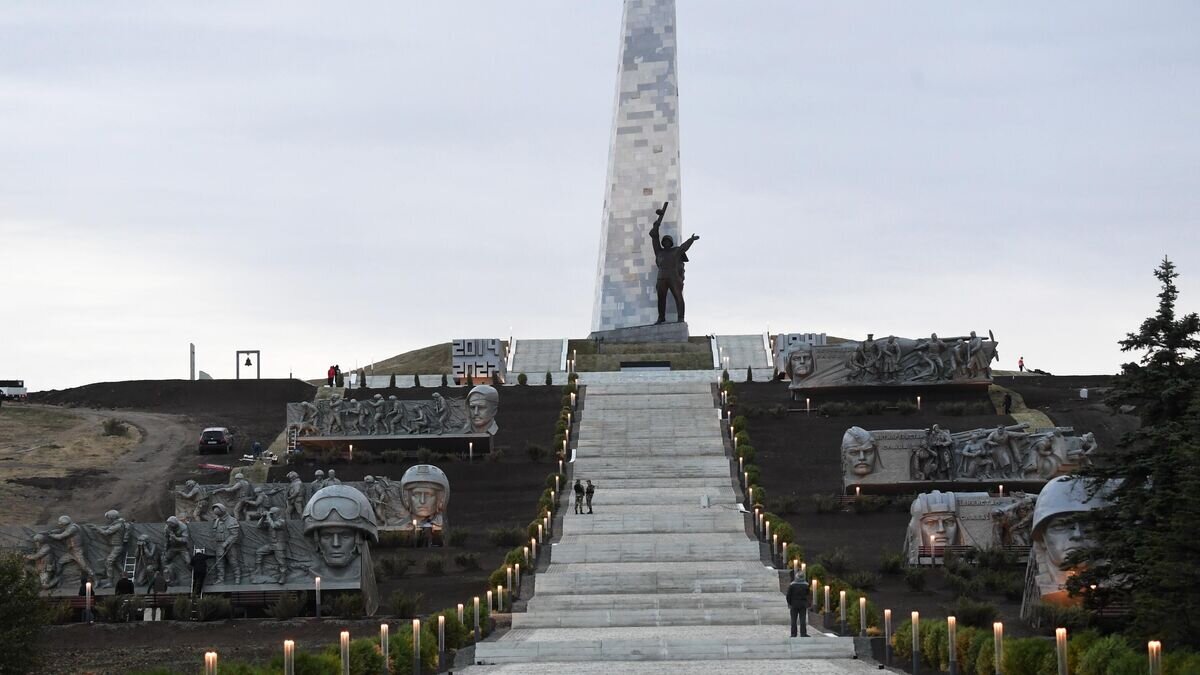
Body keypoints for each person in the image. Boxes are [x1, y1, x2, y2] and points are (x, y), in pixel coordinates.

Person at [648, 202, 700, 324]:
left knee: (678, 296)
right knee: (661, 298)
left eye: (668, 241)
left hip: (673, 276)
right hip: (661, 277)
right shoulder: (659, 252)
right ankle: (661, 318)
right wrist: (656, 226)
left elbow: (683, 247)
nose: (665, 242)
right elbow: (654, 237)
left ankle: (680, 318)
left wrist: (691, 240)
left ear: (670, 243)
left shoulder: (675, 251)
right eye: (664, 241)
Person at [786, 569, 809, 637]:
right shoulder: (806, 585)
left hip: (794, 604)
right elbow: (808, 594)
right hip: (802, 604)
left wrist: (790, 603)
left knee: (793, 620)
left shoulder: (792, 585)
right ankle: (803, 633)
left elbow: (788, 595)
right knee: (802, 620)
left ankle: (793, 634)